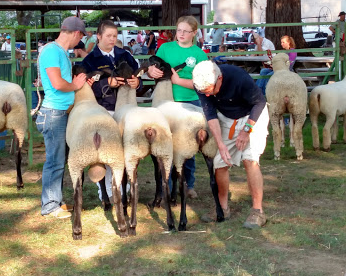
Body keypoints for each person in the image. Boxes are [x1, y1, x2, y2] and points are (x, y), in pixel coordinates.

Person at [192, 60, 268, 229]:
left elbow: (260, 103)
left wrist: (246, 130)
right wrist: (220, 144)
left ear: (219, 78)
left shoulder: (238, 77)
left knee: (250, 159)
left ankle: (258, 210)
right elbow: (210, 114)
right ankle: (222, 207)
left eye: (211, 90)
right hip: (227, 118)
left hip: (253, 116)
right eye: (205, 92)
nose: (209, 95)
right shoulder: (201, 84)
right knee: (219, 162)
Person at [148, 15, 208, 198]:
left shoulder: (199, 54)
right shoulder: (165, 48)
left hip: (189, 102)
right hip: (165, 102)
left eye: (186, 31)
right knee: (166, 143)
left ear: (194, 33)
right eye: (179, 30)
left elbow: (203, 82)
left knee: (187, 144)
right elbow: (154, 66)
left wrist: (179, 80)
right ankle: (168, 184)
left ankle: (188, 184)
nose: (181, 34)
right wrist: (152, 71)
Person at [82, 20, 141, 200]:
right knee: (108, 151)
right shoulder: (90, 61)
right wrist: (106, 83)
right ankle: (107, 190)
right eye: (108, 36)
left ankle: (127, 187)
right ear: (98, 36)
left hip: (126, 108)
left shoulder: (125, 55)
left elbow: (138, 77)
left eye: (114, 36)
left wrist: (136, 83)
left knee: (127, 148)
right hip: (103, 109)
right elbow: (85, 88)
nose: (112, 39)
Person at [36, 16, 88, 219]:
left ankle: (54, 200)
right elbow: (57, 83)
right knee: (54, 161)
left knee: (59, 159)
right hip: (53, 113)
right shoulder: (51, 51)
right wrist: (75, 86)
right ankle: (49, 206)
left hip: (59, 112)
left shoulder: (60, 52)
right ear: (76, 33)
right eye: (80, 37)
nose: (79, 42)